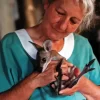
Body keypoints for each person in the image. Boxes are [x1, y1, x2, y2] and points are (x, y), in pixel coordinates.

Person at [0, 0, 100, 100]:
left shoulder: (82, 45)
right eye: (60, 13)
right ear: (46, 3)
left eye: (73, 21)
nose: (62, 26)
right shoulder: (12, 45)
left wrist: (82, 84)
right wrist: (35, 80)